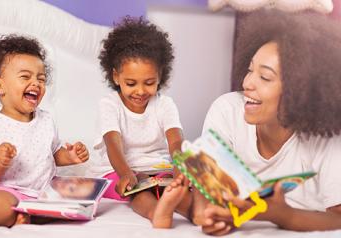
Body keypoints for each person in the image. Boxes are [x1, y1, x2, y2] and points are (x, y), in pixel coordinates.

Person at [193, 10, 341, 235]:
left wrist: (281, 215)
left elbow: (338, 218)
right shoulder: (227, 110)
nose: (247, 83)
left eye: (265, 77)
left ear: (299, 91)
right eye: (250, 70)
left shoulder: (326, 141)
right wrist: (210, 215)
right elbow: (204, 184)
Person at [0, 34, 89, 227]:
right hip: (7, 191)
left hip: (42, 191)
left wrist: (70, 156)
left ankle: (27, 215)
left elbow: (53, 154)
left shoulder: (46, 120)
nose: (36, 83)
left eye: (41, 78)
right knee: (2, 212)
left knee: (78, 205)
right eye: (25, 76)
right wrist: (0, 161)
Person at [90, 16, 191, 228]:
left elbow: (175, 141)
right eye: (131, 83)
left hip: (155, 169)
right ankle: (157, 213)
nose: (140, 91)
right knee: (138, 191)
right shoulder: (109, 104)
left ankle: (199, 212)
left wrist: (181, 167)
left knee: (174, 185)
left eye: (149, 83)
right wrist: (126, 173)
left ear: (160, 76)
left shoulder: (165, 104)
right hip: (117, 171)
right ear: (116, 77)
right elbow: (112, 142)